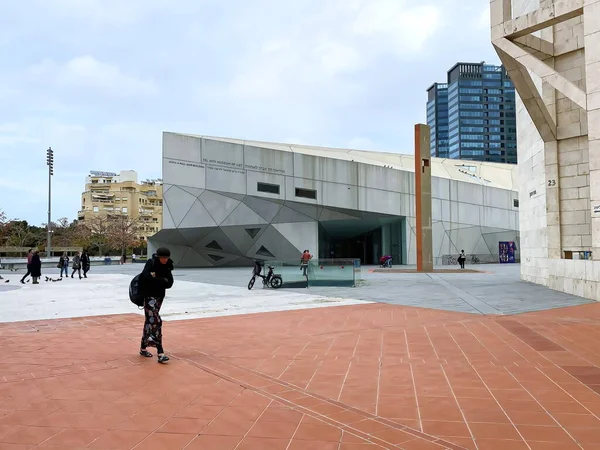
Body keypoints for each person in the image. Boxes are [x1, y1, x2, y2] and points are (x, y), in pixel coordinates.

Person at [138, 247, 174, 364]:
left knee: (150, 321)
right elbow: (145, 276)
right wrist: (161, 280)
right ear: (158, 257)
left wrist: (157, 279)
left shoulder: (168, 265)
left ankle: (143, 347)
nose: (164, 260)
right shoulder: (151, 263)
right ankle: (160, 352)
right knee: (156, 321)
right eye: (162, 258)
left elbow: (170, 283)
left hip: (159, 297)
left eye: (166, 258)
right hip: (148, 296)